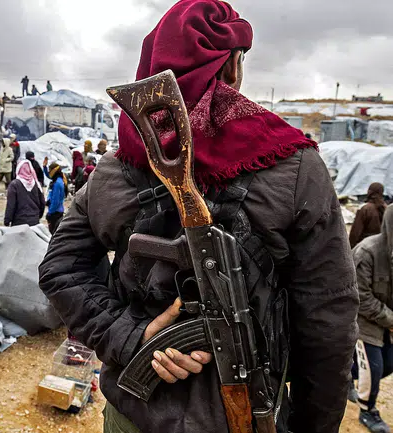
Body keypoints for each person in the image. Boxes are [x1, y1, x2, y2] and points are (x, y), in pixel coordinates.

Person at [38, 1, 358, 432]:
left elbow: (61, 267)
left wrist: (125, 332)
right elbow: (328, 318)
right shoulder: (294, 166)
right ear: (232, 67)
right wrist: (138, 337)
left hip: (138, 418)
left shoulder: (115, 169)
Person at [352, 206, 393, 433]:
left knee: (388, 364)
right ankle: (367, 411)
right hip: (363, 320)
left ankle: (346, 376)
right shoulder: (367, 252)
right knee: (373, 368)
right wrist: (391, 320)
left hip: (385, 320)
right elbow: (362, 297)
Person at [4, 160, 45, 227]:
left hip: (19, 222)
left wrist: (7, 220)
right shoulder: (37, 185)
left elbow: (11, 204)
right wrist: (37, 216)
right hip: (34, 222)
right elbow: (42, 203)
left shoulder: (14, 185)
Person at [350, 183, 387, 248]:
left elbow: (355, 233)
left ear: (369, 192)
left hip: (364, 248)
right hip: (381, 247)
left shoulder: (365, 209)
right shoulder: (386, 208)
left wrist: (350, 247)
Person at [44, 162, 66, 234]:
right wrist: (44, 167)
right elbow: (49, 176)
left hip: (55, 212)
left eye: (50, 170)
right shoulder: (59, 179)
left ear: (53, 171)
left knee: (53, 233)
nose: (49, 172)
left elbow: (55, 201)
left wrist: (50, 213)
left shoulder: (57, 183)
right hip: (58, 211)